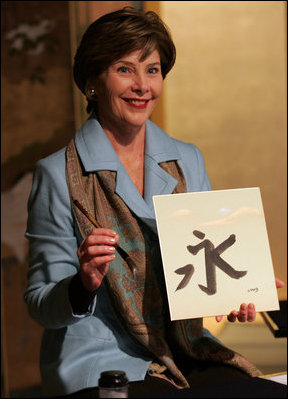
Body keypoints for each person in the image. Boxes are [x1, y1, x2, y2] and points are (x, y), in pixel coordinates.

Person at [24, 7, 285, 398]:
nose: (143, 85)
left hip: (184, 349)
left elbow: (205, 266)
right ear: (93, 80)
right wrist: (84, 283)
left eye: (153, 70)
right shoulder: (56, 174)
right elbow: (40, 303)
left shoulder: (187, 159)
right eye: (125, 69)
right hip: (101, 358)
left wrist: (239, 293)